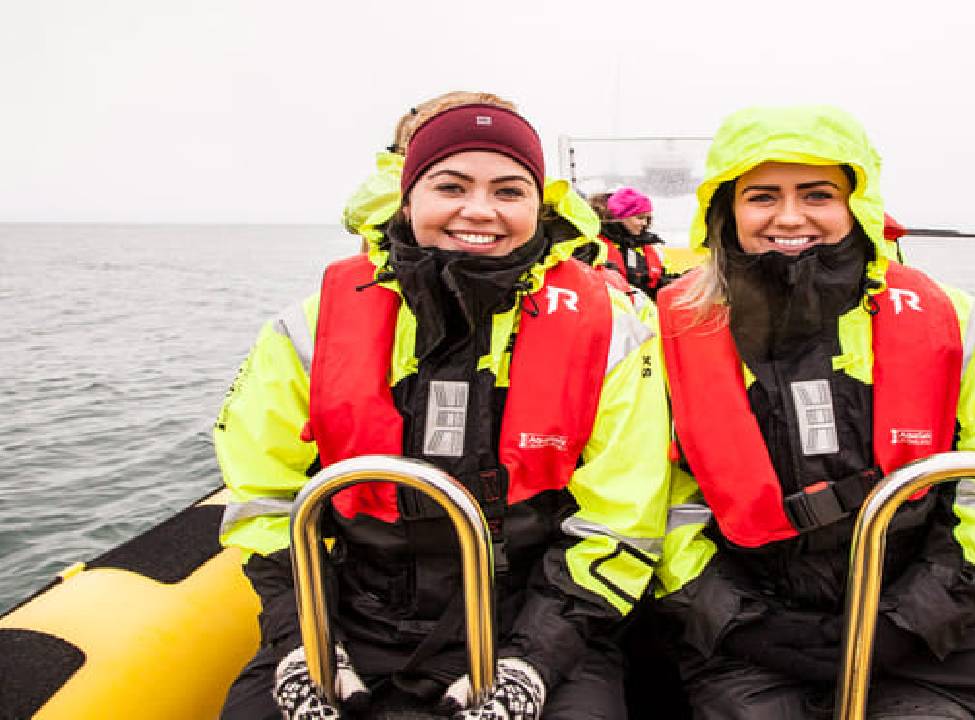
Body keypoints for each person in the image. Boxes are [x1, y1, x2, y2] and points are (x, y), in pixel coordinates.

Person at [216, 96, 672, 719]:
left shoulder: (612, 333)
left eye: (508, 191)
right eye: (451, 186)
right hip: (353, 617)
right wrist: (305, 643)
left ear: (539, 207)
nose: (479, 209)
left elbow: (624, 515)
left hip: (538, 620)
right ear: (407, 199)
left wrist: (531, 664)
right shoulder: (308, 329)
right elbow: (264, 499)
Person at [652, 105, 975, 719]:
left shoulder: (965, 326)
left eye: (817, 194)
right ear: (726, 210)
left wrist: (910, 620)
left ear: (855, 205)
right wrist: (742, 622)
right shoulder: (664, 337)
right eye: (762, 196)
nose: (790, 216)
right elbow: (659, 500)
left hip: (945, 622)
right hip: (753, 630)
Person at [594, 187, 670, 298]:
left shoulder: (653, 249)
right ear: (621, 217)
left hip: (644, 307)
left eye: (648, 219)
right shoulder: (595, 246)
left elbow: (660, 283)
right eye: (640, 218)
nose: (645, 223)